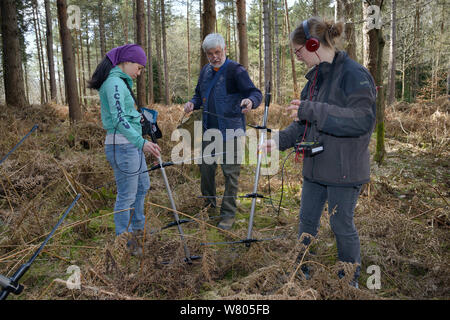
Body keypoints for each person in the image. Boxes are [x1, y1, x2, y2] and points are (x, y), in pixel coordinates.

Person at [260, 17, 377, 287]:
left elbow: (361, 120)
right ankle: (301, 271)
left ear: (313, 44)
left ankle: (348, 282)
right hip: (315, 168)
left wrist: (312, 110)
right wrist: (277, 140)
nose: (297, 57)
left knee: (341, 227)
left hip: (344, 171)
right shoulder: (315, 79)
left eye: (298, 51)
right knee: (306, 222)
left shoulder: (354, 74)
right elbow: (303, 124)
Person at [184, 33, 262, 230]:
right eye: (210, 54)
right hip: (209, 130)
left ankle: (227, 215)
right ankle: (208, 208)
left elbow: (255, 93)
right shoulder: (205, 71)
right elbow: (198, 94)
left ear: (224, 49)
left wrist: (250, 102)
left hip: (232, 131)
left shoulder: (236, 70)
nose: (214, 57)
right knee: (206, 170)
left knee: (230, 174)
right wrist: (192, 103)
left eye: (217, 52)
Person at [88, 44, 161, 254]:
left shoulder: (119, 83)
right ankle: (125, 242)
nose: (139, 73)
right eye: (138, 68)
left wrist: (141, 122)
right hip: (122, 146)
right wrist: (142, 143)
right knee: (127, 195)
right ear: (126, 62)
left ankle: (139, 230)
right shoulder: (114, 84)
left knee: (142, 187)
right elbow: (119, 120)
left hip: (131, 145)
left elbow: (125, 114)